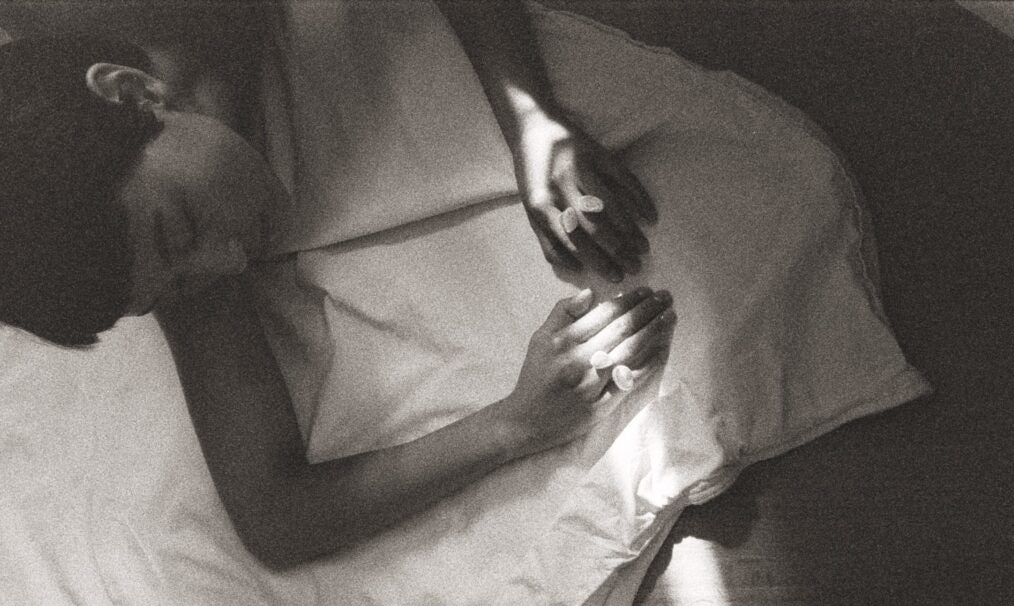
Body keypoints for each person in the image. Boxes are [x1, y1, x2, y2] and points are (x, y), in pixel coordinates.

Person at [0, 1, 677, 569]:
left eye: (182, 229)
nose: (229, 264)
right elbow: (274, 518)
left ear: (133, 93)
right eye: (166, 293)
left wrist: (530, 117)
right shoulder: (146, 241)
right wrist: (514, 424)